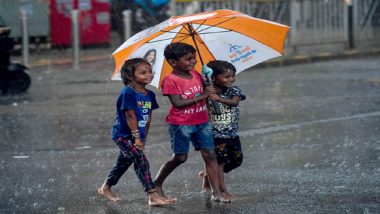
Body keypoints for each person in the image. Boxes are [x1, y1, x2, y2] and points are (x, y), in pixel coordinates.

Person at [153, 42, 230, 202]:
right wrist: (203, 95)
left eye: (194, 58)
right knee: (180, 158)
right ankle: (157, 183)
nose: (193, 61)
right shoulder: (170, 80)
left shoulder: (196, 74)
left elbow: (209, 91)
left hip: (202, 121)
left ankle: (216, 192)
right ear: (173, 62)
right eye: (188, 59)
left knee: (210, 155)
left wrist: (209, 79)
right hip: (181, 124)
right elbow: (178, 103)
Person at [98, 58, 175, 206]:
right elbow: (130, 115)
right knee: (141, 160)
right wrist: (137, 137)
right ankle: (152, 195)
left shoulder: (150, 95)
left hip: (138, 135)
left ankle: (105, 187)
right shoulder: (128, 92)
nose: (149, 75)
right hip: (123, 135)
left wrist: (144, 137)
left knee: (123, 163)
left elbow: (148, 118)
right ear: (130, 76)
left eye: (150, 71)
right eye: (143, 73)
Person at [198, 60, 246, 201]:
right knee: (219, 162)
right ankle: (222, 191)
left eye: (233, 76)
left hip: (232, 134)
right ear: (213, 78)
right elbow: (202, 105)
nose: (231, 79)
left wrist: (218, 99)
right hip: (216, 135)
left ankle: (208, 174)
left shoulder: (234, 90)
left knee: (237, 160)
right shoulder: (208, 92)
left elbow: (234, 102)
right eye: (226, 77)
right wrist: (208, 94)